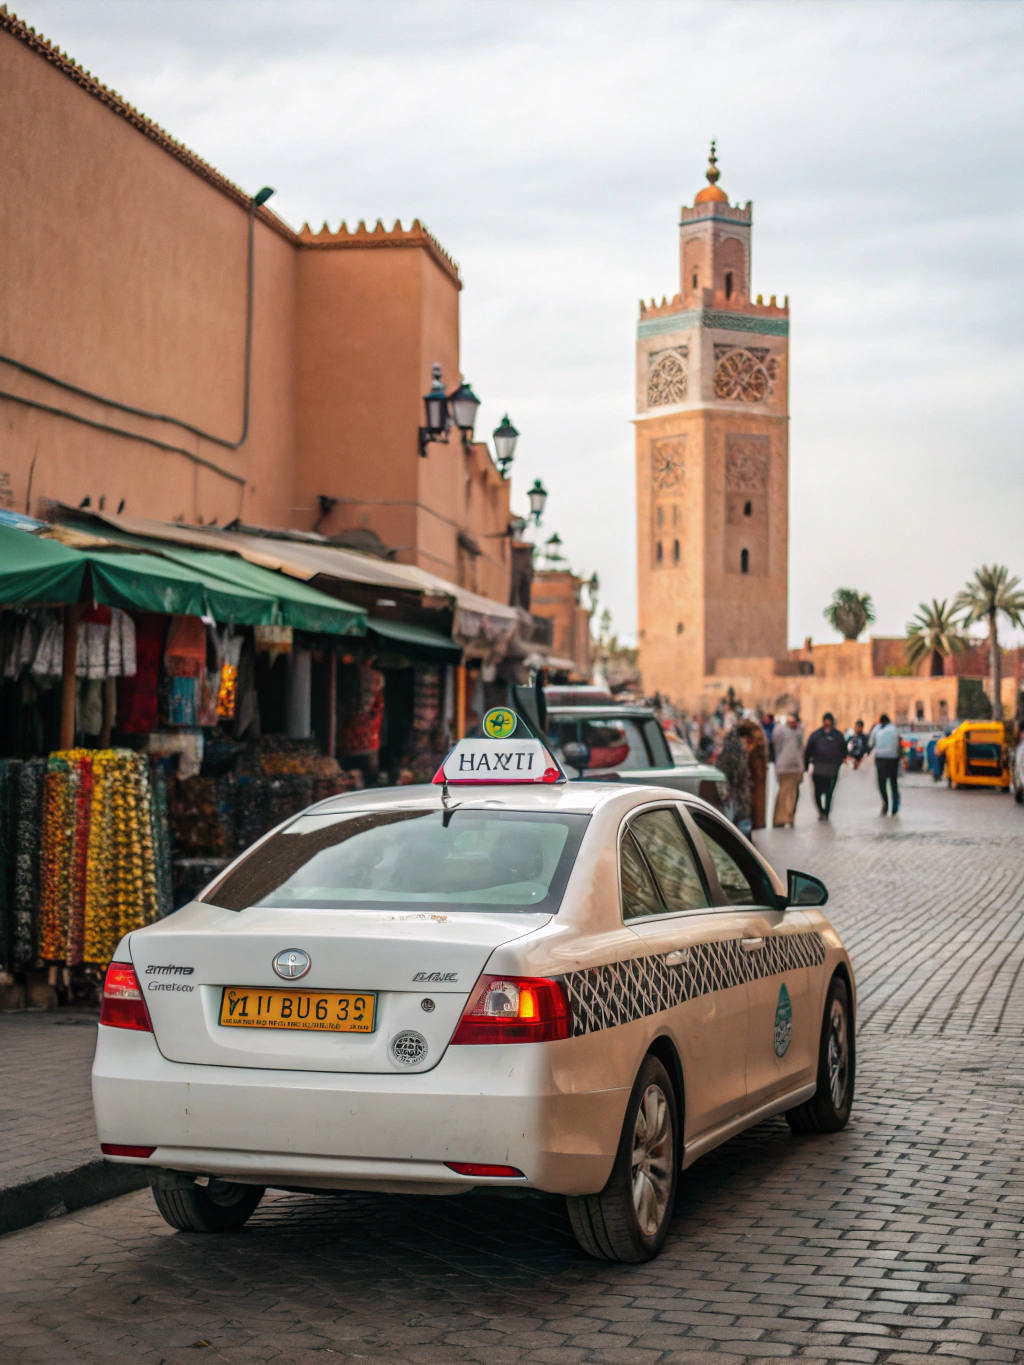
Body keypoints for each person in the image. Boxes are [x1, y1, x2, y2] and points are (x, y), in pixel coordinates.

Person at [803, 712, 848, 820]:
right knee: (817, 792)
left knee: (829, 793)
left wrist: (839, 762)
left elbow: (844, 750)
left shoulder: (838, 736)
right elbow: (808, 751)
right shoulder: (816, 735)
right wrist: (806, 766)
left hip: (832, 769)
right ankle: (821, 811)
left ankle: (826, 812)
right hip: (818, 769)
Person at [771, 710, 804, 828]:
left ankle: (789, 817)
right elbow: (777, 746)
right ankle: (781, 818)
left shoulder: (798, 733)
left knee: (793, 795)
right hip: (784, 768)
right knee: (784, 794)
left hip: (795, 768)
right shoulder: (781, 731)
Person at [871, 712, 902, 815]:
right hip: (893, 759)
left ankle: (885, 803)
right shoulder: (894, 729)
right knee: (893, 783)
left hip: (880, 759)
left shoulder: (876, 729)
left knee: (882, 783)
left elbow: (871, 743)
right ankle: (894, 806)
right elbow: (898, 743)